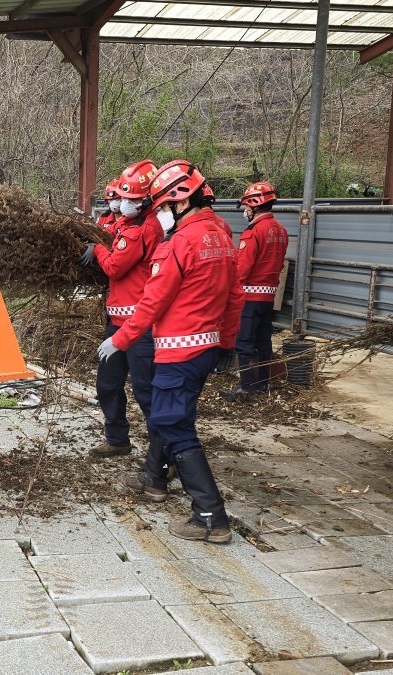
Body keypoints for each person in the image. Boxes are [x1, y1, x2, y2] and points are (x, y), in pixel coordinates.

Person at [99, 160, 243, 543]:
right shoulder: (223, 237)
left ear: (181, 202)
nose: (159, 214)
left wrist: (120, 340)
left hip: (178, 352)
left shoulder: (179, 244)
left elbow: (152, 302)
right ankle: (158, 480)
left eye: (161, 207)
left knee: (172, 425)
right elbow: (235, 297)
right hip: (205, 350)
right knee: (172, 421)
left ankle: (210, 516)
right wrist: (227, 343)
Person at [79, 160, 162, 458]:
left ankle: (162, 456)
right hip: (117, 320)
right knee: (108, 383)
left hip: (138, 326)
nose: (123, 204)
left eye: (131, 200)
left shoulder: (142, 230)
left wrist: (97, 249)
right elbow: (116, 232)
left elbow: (115, 266)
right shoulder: (133, 224)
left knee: (146, 391)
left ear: (147, 201)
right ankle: (117, 439)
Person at [224, 181, 288, 397]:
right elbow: (279, 265)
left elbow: (242, 268)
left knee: (244, 343)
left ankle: (247, 387)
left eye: (247, 207)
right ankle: (263, 383)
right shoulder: (280, 231)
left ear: (254, 205)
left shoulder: (253, 233)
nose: (245, 211)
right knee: (263, 342)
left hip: (249, 296)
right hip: (268, 297)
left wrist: (228, 293)